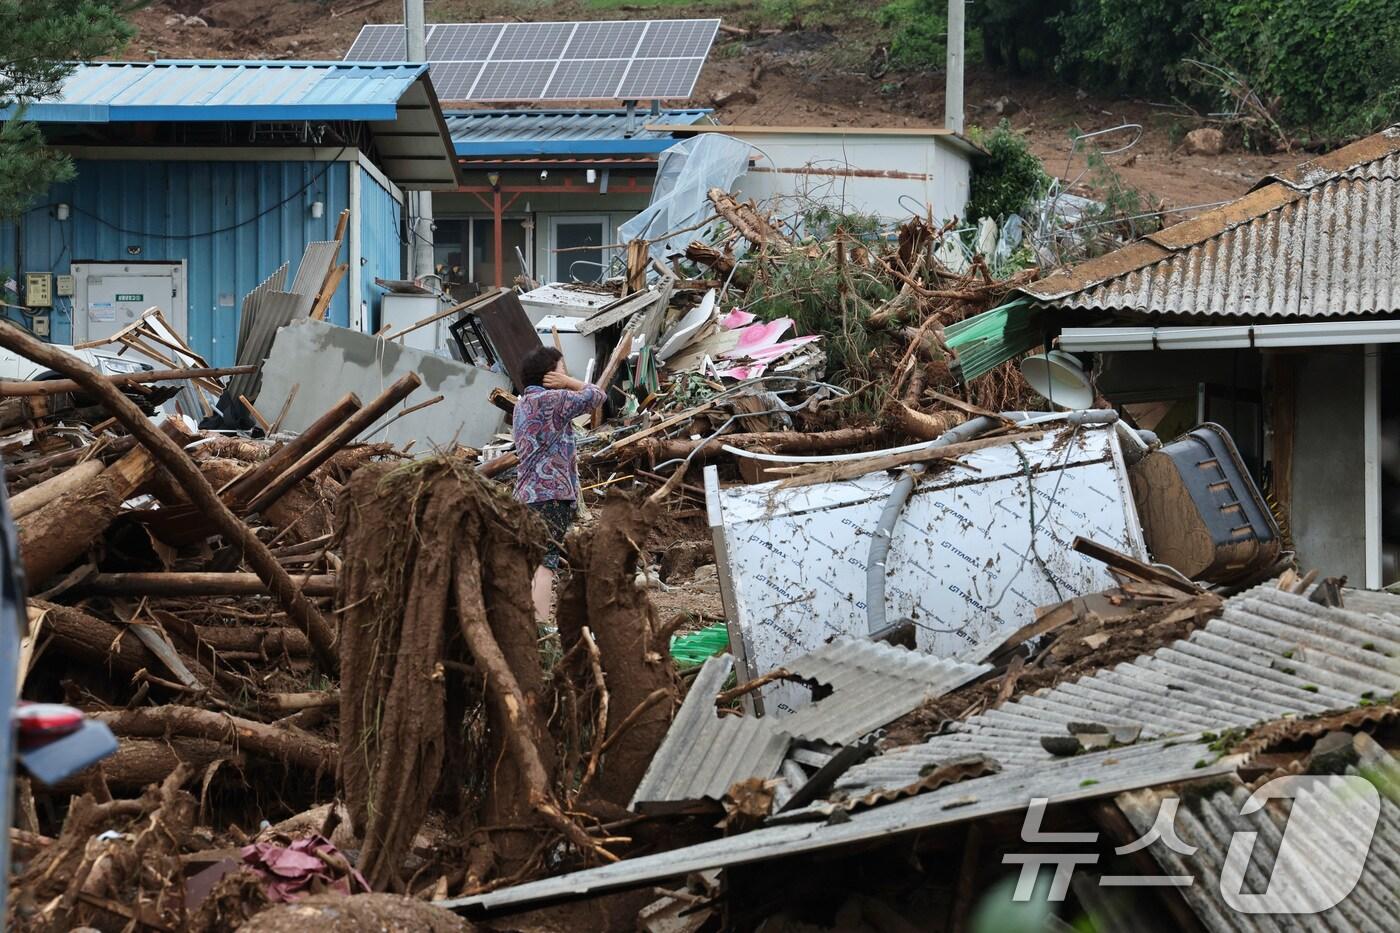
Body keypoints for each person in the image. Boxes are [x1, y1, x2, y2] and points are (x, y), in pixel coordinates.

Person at [512, 346, 605, 625]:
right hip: (551, 494)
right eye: (562, 369)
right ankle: (539, 625)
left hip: (525, 493)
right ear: (550, 374)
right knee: (546, 560)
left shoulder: (521, 404)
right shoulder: (554, 399)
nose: (566, 374)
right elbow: (597, 396)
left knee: (530, 559)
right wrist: (570, 383)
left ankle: (524, 623)